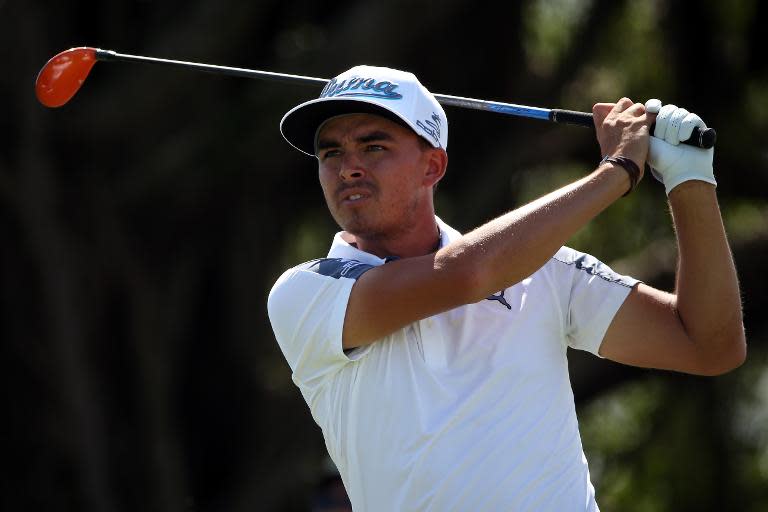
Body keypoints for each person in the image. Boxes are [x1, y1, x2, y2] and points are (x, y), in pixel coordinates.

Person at [267, 65, 745, 511]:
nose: (347, 167)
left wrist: (689, 179)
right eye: (331, 152)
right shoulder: (305, 292)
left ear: (432, 167)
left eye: (373, 147)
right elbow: (464, 275)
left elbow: (709, 345)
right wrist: (617, 171)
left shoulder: (543, 267)